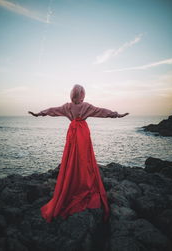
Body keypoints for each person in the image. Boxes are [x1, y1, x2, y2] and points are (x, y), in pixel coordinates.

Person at [28, 84, 129, 223]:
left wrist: (39, 113)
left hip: (73, 133)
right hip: (82, 133)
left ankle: (71, 181)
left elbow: (52, 110)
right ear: (82, 95)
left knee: (71, 159)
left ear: (72, 94)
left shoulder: (67, 107)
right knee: (84, 160)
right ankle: (83, 182)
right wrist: (116, 115)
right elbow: (101, 111)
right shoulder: (86, 106)